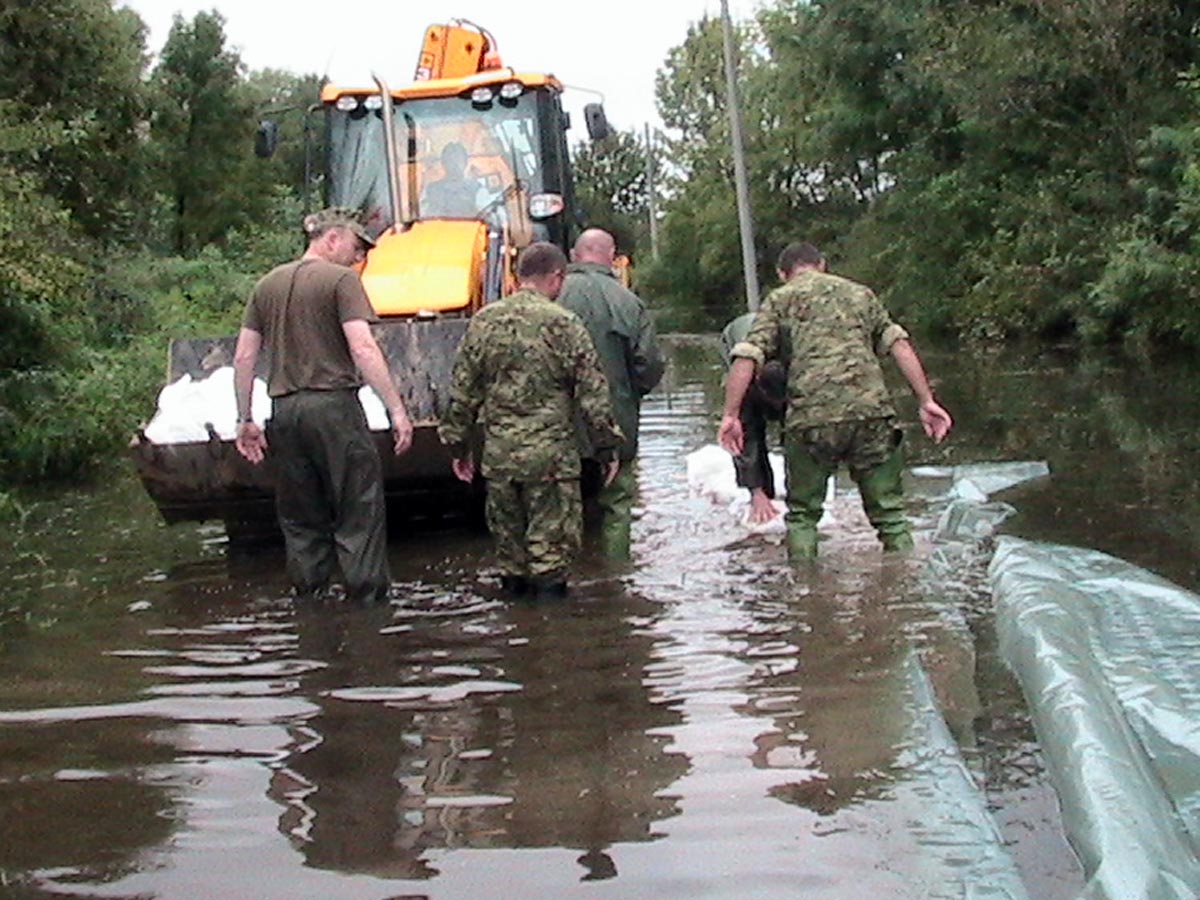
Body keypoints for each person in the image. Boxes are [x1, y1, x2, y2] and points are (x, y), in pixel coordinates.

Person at [717, 242, 953, 560]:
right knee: (892, 518)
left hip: (812, 422)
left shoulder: (780, 300)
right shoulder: (860, 294)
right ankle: (905, 585)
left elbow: (746, 356)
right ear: (823, 264)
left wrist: (729, 416)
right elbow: (899, 344)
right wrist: (926, 401)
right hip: (871, 415)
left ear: (782, 273)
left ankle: (805, 597)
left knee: (802, 518)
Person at [233, 207, 414, 605]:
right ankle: (367, 609)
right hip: (333, 409)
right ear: (332, 239)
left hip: (284, 412)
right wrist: (396, 410)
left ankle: (310, 604)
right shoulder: (342, 280)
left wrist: (245, 418)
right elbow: (363, 347)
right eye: (355, 246)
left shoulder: (266, 285)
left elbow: (245, 357)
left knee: (300, 517)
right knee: (357, 509)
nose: (358, 257)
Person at [438, 242, 624, 599]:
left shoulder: (484, 322)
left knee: (511, 558)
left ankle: (517, 639)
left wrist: (458, 447)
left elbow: (462, 394)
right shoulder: (563, 323)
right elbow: (593, 395)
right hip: (551, 461)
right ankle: (550, 641)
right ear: (557, 276)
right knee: (550, 557)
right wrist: (606, 448)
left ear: (518, 276)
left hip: (500, 461)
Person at [557, 228, 664, 560]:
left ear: (575, 256)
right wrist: (628, 396)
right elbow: (649, 366)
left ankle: (568, 581)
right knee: (617, 504)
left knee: (561, 504)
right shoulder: (628, 301)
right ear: (612, 256)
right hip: (617, 422)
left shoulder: (553, 296)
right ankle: (616, 579)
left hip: (558, 425)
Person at [720, 311, 787, 525]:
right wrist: (757, 493)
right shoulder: (745, 385)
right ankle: (760, 493)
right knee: (747, 427)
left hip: (782, 358)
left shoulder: (800, 370)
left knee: (800, 429)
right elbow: (744, 439)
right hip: (737, 345)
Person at [421, 142, 484, 219]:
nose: (455, 164)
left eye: (458, 159)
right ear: (443, 163)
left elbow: (488, 218)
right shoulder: (430, 191)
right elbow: (421, 217)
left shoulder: (478, 190)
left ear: (466, 162)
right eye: (450, 159)